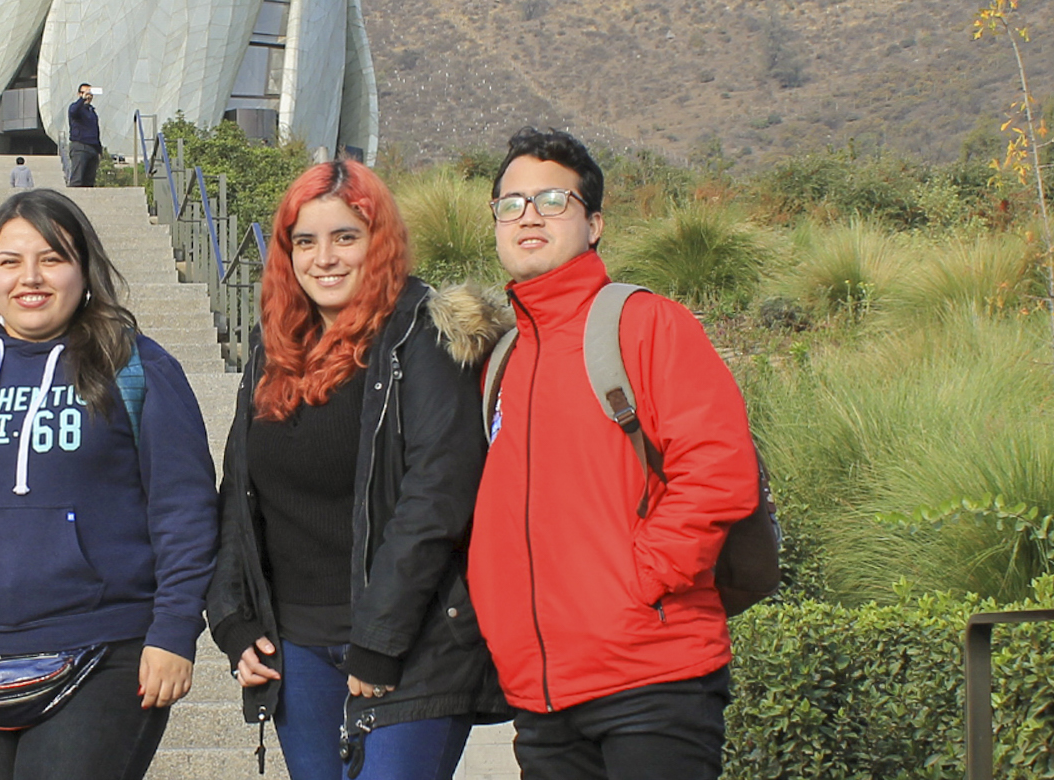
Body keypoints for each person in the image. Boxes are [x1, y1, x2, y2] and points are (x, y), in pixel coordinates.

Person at [0, 189, 217, 780]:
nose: (30, 277)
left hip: (103, 647)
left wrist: (176, 630)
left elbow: (184, 508)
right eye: (10, 262)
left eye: (52, 258)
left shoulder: (135, 365)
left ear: (84, 270)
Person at [468, 128, 761, 780]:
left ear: (594, 222)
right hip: (543, 697)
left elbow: (719, 470)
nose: (529, 215)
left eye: (551, 198)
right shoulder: (504, 358)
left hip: (651, 681)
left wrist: (639, 582)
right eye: (511, 203)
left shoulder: (647, 324)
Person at [207, 159, 508, 780]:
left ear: (380, 243)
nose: (325, 258)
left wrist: (379, 641)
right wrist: (235, 622)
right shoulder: (275, 347)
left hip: (415, 646)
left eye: (346, 236)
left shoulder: (422, 336)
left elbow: (437, 498)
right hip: (296, 649)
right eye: (305, 241)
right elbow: (238, 495)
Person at [65, 85, 101, 187]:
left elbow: (96, 131)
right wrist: (82, 99)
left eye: (90, 94)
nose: (88, 96)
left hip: (92, 148)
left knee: (89, 181)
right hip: (80, 146)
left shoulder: (91, 111)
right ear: (79, 94)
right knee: (77, 179)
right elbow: (73, 111)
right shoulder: (76, 108)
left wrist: (99, 150)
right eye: (85, 93)